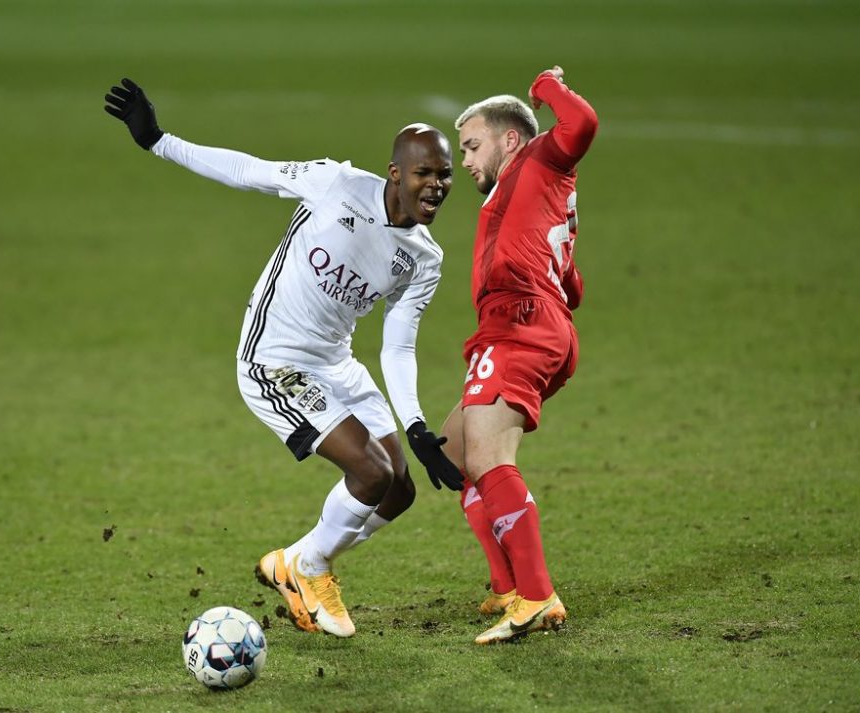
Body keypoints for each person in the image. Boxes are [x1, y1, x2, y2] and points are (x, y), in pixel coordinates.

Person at [104, 78, 463, 638]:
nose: (438, 185)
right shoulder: (336, 185)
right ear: (396, 174)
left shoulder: (423, 257)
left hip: (335, 362)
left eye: (445, 175)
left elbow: (398, 343)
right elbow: (249, 170)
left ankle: (291, 562)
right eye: (425, 173)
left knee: (399, 488)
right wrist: (159, 141)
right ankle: (312, 567)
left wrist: (415, 425)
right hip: (273, 360)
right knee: (367, 472)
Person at [437, 66, 598, 644]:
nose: (466, 160)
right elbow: (573, 286)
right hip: (526, 325)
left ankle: (536, 596)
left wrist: (546, 86)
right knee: (454, 455)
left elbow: (582, 122)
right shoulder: (532, 190)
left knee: (488, 456)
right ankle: (507, 587)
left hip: (521, 326)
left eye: (472, 145)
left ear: (511, 139)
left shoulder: (537, 161)